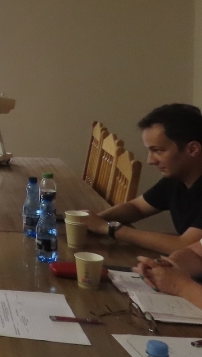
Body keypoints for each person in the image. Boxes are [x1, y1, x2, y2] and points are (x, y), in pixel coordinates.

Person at [84, 104, 202, 255]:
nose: (150, 160)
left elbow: (185, 246)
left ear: (192, 149)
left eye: (157, 150)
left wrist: (107, 228)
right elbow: (137, 207)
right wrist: (94, 220)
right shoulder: (176, 178)